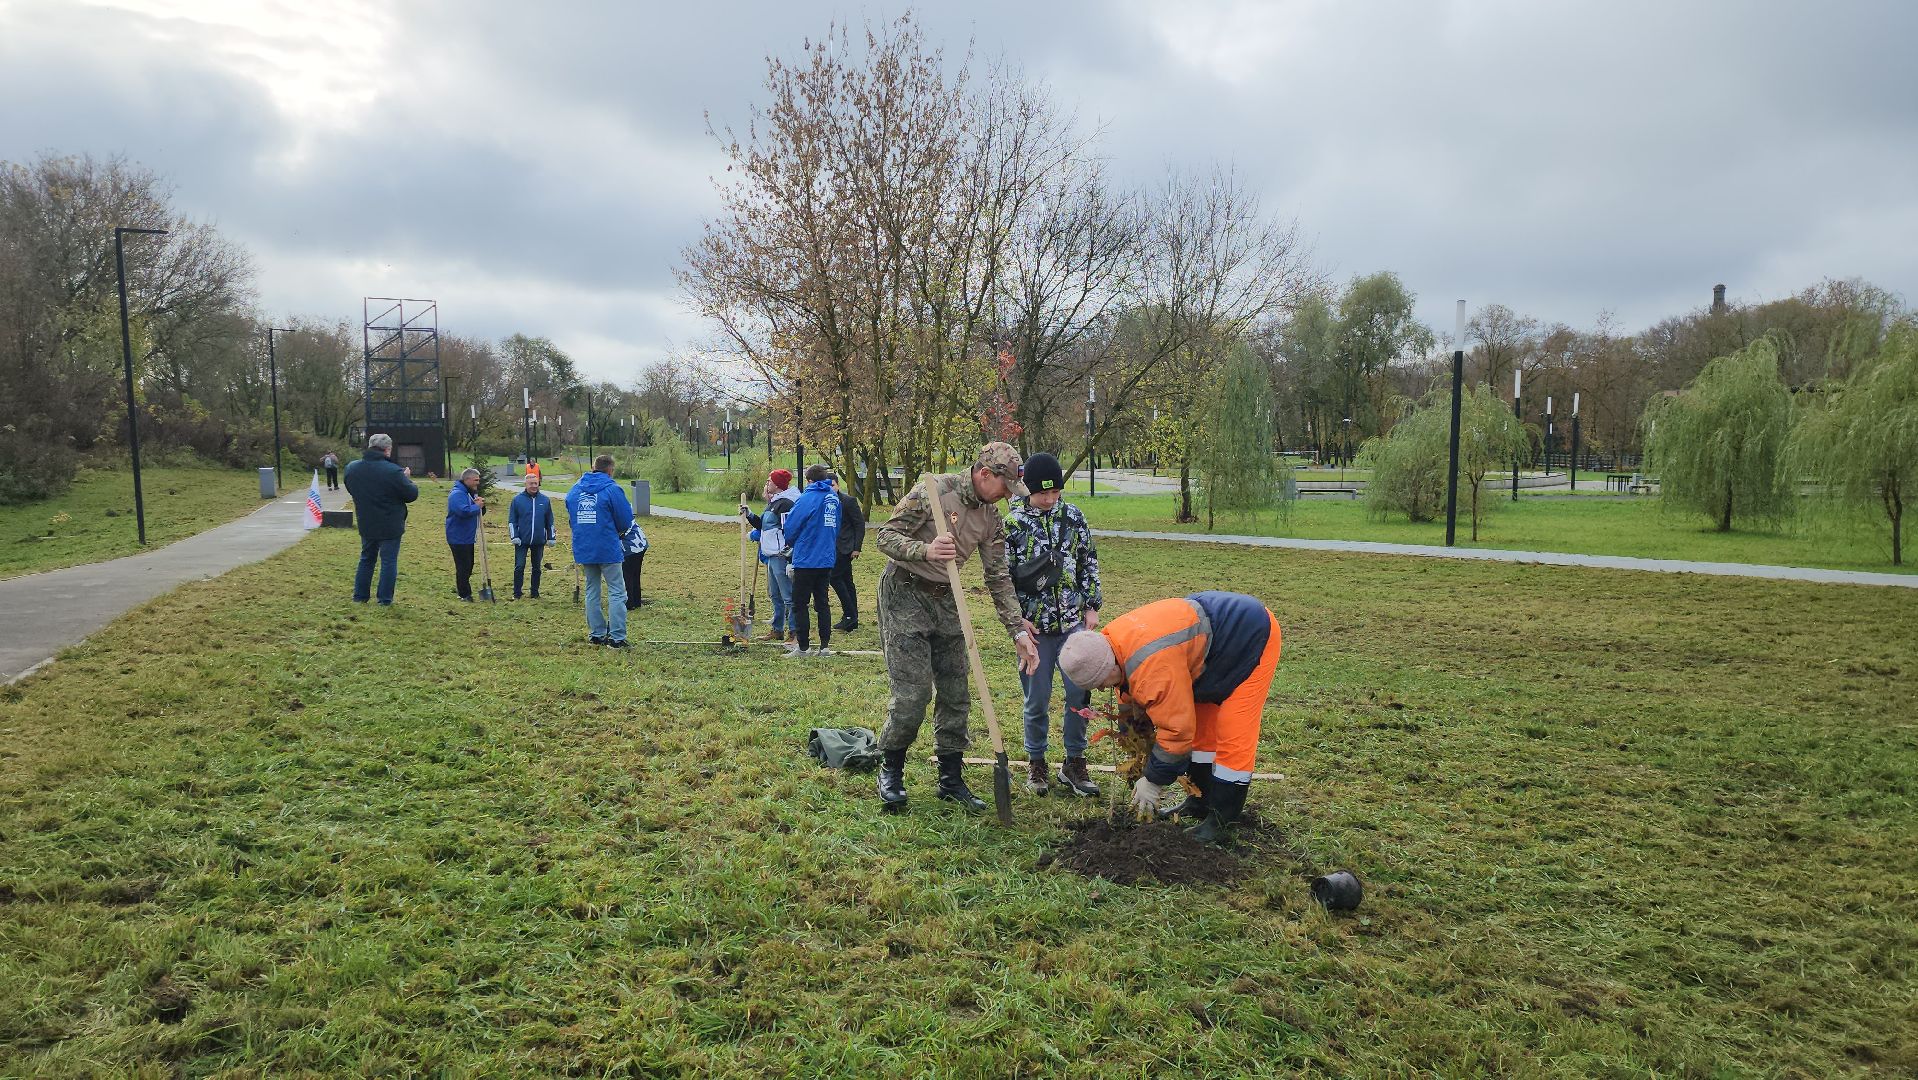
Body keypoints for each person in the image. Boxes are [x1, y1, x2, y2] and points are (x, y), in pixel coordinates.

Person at [872, 442, 1041, 812]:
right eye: (1004, 487)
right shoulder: (934, 490)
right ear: (985, 475)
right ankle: (892, 770)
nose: (1006, 497)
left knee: (955, 692)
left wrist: (1018, 631)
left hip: (949, 600)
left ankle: (950, 779)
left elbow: (998, 577)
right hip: (905, 593)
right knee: (913, 695)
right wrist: (926, 550)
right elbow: (884, 536)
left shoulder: (991, 517)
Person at [1057, 591, 1283, 844]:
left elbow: (1176, 732)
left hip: (1248, 636)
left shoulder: (1151, 666)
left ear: (1108, 667)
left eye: (1099, 683)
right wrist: (1136, 751)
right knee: (1202, 731)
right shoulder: (1106, 646)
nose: (1100, 690)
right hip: (1203, 647)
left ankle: (1221, 822)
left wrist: (1153, 781)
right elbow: (1131, 703)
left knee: (1233, 733)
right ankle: (1200, 802)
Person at [1003, 452, 1103, 798]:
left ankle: (1074, 762)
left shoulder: (1073, 517)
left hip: (1073, 624)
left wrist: (1091, 606)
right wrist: (1019, 619)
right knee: (1037, 698)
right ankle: (1037, 762)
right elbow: (1004, 577)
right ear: (1027, 490)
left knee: (1079, 694)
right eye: (1041, 493)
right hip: (1035, 630)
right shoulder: (1013, 524)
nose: (1048, 499)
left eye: (1054, 492)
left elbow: (1088, 559)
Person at [565, 454, 635, 648]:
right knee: (617, 591)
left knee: (592, 589)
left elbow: (572, 517)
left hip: (585, 547)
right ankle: (617, 637)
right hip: (607, 547)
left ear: (593, 467)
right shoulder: (612, 489)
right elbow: (625, 519)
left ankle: (596, 634)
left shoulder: (575, 490)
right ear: (610, 470)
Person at [343, 434, 419, 605]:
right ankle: (384, 599)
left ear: (370, 446)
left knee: (366, 558)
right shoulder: (393, 471)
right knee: (388, 561)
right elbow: (411, 495)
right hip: (390, 523)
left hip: (366, 520)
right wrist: (407, 479)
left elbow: (351, 488)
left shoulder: (352, 468)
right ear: (388, 450)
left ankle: (360, 596)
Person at [781, 463, 842, 656]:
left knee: (800, 603)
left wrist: (791, 542)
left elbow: (791, 525)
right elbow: (837, 526)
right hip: (826, 558)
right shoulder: (833, 498)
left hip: (806, 559)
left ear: (809, 480)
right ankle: (825, 646)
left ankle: (804, 647)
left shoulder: (807, 498)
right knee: (822, 603)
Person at [741, 469, 798, 643]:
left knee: (788, 596)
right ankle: (777, 630)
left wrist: (788, 555)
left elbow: (790, 530)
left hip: (780, 556)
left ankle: (794, 633)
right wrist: (749, 515)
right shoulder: (774, 502)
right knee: (775, 595)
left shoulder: (786, 503)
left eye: (769, 480)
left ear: (778, 484)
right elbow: (763, 526)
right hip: (771, 556)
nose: (767, 483)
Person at [507, 472, 556, 599]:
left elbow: (550, 521)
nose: (534, 486)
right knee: (519, 566)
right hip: (521, 540)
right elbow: (512, 520)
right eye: (531, 484)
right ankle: (517, 592)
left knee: (537, 568)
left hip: (539, 540)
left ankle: (534, 592)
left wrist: (551, 537)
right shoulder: (517, 500)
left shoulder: (545, 500)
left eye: (536, 483)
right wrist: (514, 536)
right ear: (526, 484)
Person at [830, 476, 867, 631]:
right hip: (832, 547)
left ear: (838, 484)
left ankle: (850, 615)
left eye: (832, 485)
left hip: (846, 548)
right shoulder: (826, 502)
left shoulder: (848, 501)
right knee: (846, 581)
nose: (831, 488)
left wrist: (857, 547)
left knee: (834, 577)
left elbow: (859, 524)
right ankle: (852, 617)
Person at [444, 468, 485, 601]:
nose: (477, 483)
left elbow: (477, 512)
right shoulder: (457, 494)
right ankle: (464, 594)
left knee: (469, 565)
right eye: (476, 480)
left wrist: (481, 506)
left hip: (468, 536)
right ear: (467, 479)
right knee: (463, 566)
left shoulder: (469, 493)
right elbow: (464, 512)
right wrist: (476, 506)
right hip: (457, 536)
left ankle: (464, 591)